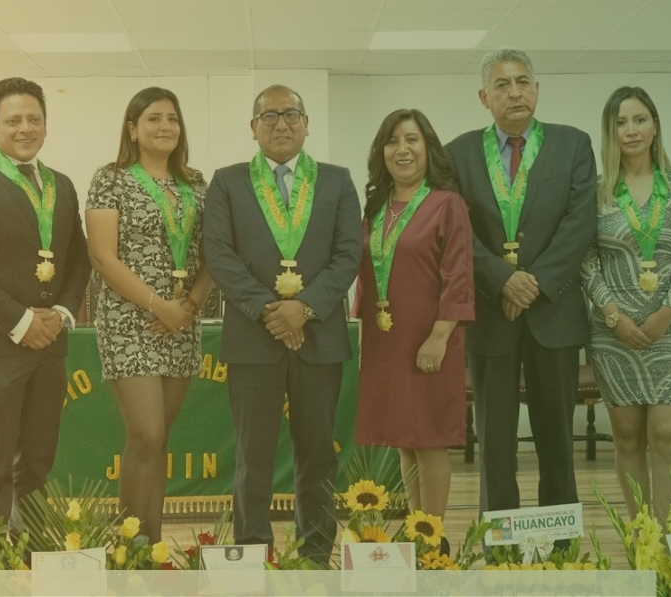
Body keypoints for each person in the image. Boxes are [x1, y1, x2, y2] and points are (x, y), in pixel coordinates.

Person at [204, 84, 362, 565]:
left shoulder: (336, 180)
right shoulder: (227, 182)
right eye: (269, 115)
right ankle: (253, 554)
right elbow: (219, 254)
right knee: (253, 455)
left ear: (307, 123)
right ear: (253, 128)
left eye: (291, 113)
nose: (281, 123)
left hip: (320, 337)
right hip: (254, 337)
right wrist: (271, 311)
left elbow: (347, 254)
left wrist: (304, 308)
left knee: (318, 454)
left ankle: (315, 554)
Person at [445, 47, 596, 513]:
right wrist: (503, 280)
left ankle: (561, 543)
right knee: (494, 442)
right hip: (491, 314)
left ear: (537, 89)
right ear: (483, 97)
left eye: (523, 82)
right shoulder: (457, 154)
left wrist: (533, 283)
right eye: (503, 85)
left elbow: (580, 223)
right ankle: (500, 543)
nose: (515, 93)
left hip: (553, 311)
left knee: (557, 441)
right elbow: (455, 231)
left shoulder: (573, 144)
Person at [0, 77, 90, 545]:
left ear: (45, 125)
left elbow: (79, 258)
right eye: (13, 121)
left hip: (50, 342)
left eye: (34, 119)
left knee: (38, 457)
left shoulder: (61, 185)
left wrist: (62, 313)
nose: (25, 128)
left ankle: (31, 549)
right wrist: (21, 321)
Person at [85, 87, 210, 542]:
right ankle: (129, 548)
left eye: (172, 118)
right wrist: (160, 306)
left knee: (159, 441)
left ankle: (150, 550)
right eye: (154, 118)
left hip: (182, 321)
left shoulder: (195, 182)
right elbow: (103, 257)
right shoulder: (111, 178)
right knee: (147, 433)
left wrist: (189, 307)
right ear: (133, 128)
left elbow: (213, 253)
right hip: (129, 321)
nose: (165, 127)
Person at [581, 87, 671, 520]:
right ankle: (642, 537)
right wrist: (613, 316)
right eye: (620, 122)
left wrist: (666, 313)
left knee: (666, 434)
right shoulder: (596, 192)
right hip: (613, 331)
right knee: (628, 436)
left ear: (655, 126)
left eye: (639, 120)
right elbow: (586, 261)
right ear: (609, 131)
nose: (630, 130)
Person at [353, 108, 473, 536]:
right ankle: (414, 530)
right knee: (404, 440)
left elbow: (459, 276)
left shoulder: (447, 203)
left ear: (428, 148)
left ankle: (433, 539)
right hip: (386, 339)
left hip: (429, 338)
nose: (401, 149)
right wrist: (364, 335)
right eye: (392, 141)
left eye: (412, 140)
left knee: (430, 439)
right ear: (381, 151)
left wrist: (439, 337)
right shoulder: (375, 207)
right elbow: (367, 276)